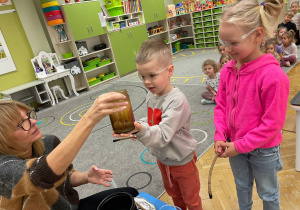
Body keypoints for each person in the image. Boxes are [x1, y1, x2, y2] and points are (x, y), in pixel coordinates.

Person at [0, 95, 139, 209]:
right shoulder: (3, 167)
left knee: (131, 195)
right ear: (3, 138)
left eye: (29, 115)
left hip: (70, 207)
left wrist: (86, 177)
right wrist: (89, 119)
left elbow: (65, 176)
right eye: (22, 123)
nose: (33, 122)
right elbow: (39, 176)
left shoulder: (48, 142)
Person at [215, 0, 289, 210]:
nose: (226, 49)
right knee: (241, 186)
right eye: (223, 42)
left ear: (257, 36)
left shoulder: (273, 77)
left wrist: (239, 146)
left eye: (233, 43)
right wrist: (220, 135)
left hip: (264, 150)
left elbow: (272, 124)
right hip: (234, 143)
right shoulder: (227, 71)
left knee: (268, 193)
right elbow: (221, 106)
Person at [113, 39, 203, 210]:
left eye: (152, 75)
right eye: (142, 76)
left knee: (191, 200)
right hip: (163, 159)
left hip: (182, 161)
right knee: (175, 195)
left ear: (170, 71)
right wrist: (136, 126)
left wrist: (140, 131)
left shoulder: (177, 101)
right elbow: (152, 122)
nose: (147, 82)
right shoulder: (151, 96)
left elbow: (162, 135)